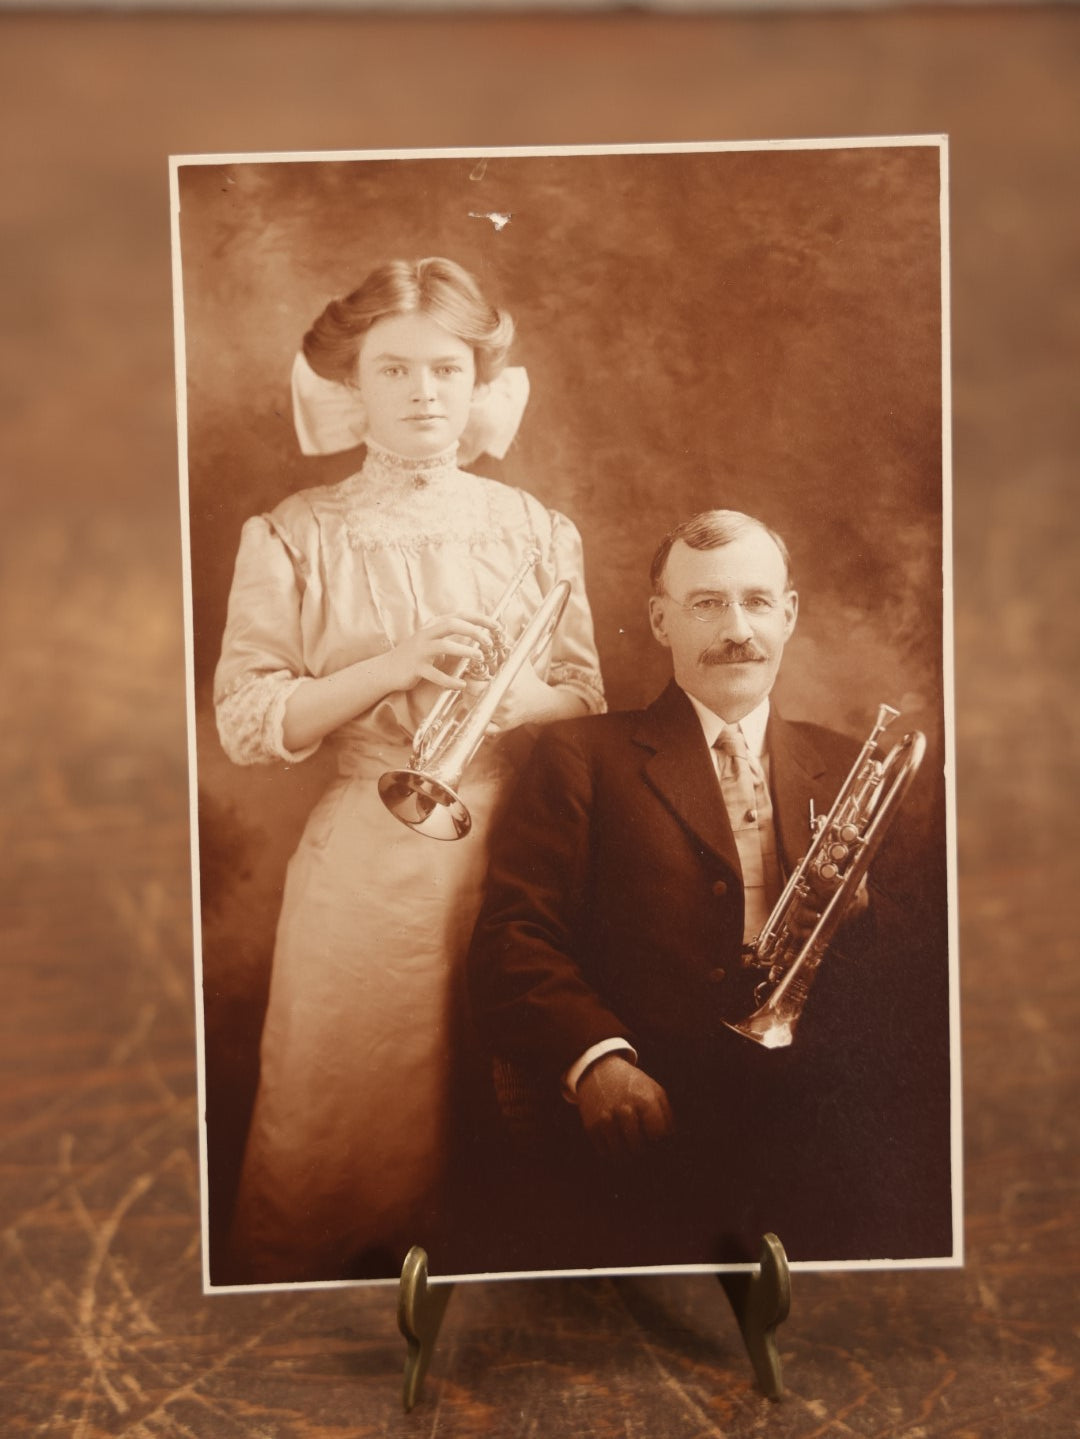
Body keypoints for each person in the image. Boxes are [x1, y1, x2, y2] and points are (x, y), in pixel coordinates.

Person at [214, 257, 605, 1283]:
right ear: (353, 385)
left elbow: (588, 698)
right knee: (358, 1130)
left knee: (511, 1120)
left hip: (521, 858)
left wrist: (526, 705)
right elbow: (246, 721)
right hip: (366, 871)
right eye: (394, 370)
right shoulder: (294, 533)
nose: (423, 393)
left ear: (478, 379)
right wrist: (388, 666)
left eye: (444, 367)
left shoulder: (538, 530)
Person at [467, 509, 952, 1272]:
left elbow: (926, 962)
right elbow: (512, 940)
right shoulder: (581, 756)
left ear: (789, 614)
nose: (737, 629)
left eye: (758, 602)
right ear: (660, 620)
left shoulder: (849, 762)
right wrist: (597, 1060)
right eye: (707, 603)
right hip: (656, 1107)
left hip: (825, 1114)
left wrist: (859, 912)